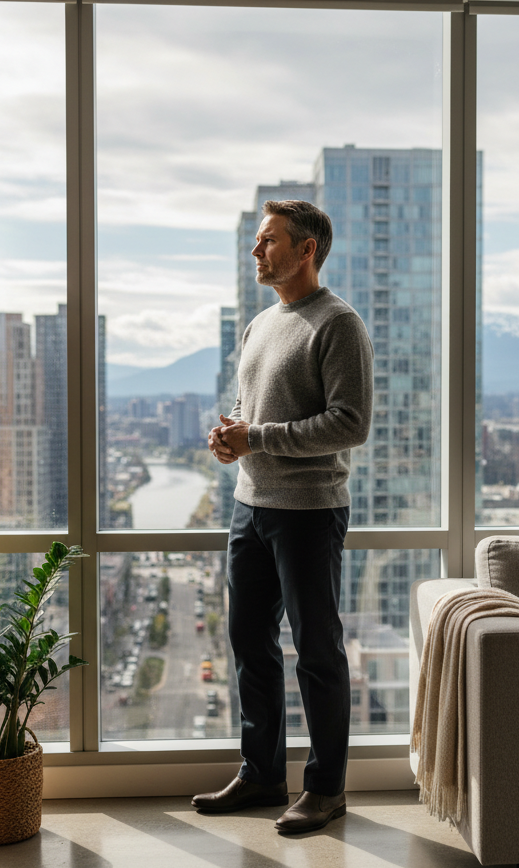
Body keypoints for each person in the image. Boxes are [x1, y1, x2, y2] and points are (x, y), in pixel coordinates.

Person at [191, 199, 373, 833]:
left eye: (269, 240)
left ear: (306, 250)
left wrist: (258, 438)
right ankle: (263, 774)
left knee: (317, 652)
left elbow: (351, 423)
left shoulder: (339, 324)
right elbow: (250, 410)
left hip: (308, 512)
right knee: (249, 643)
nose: (256, 250)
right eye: (257, 240)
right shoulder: (260, 324)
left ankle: (326, 790)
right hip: (249, 507)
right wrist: (229, 438)